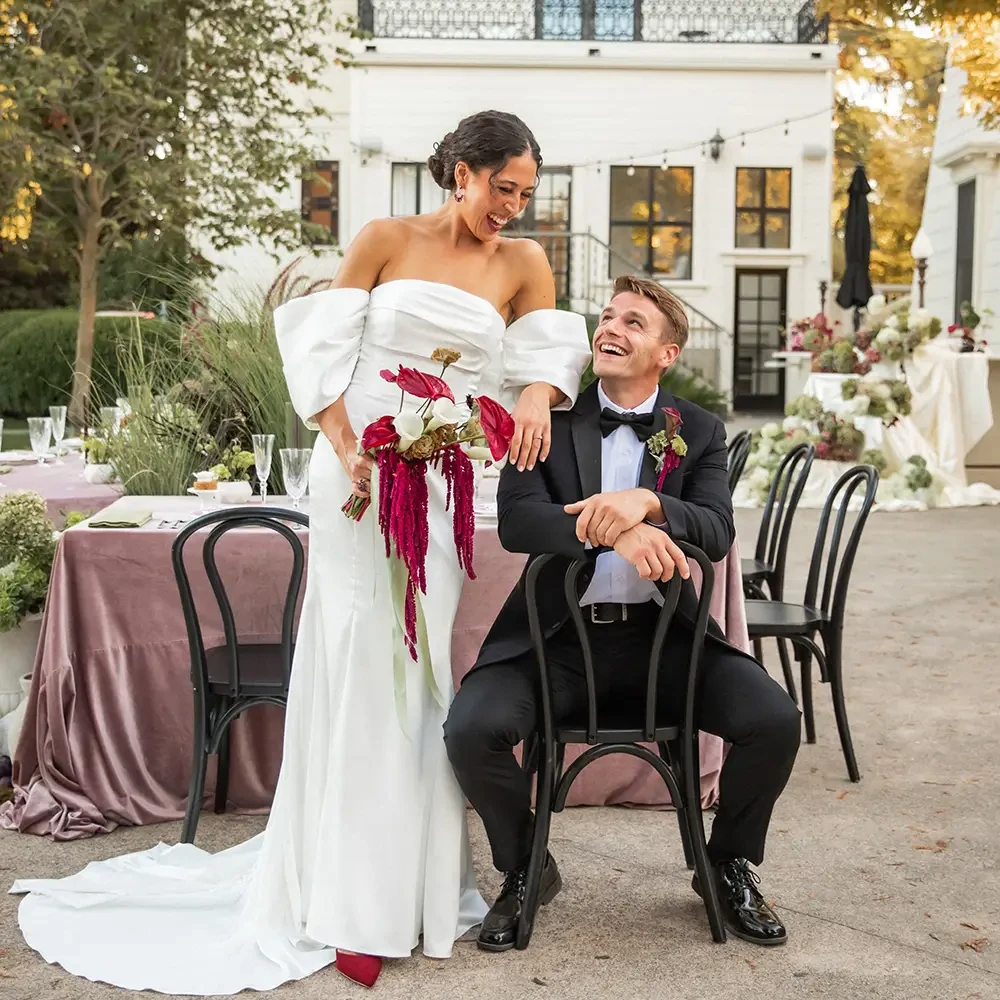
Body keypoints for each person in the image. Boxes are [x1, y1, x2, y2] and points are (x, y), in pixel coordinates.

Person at [9, 111, 591, 993]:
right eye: (501, 186)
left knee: (420, 665)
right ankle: (345, 891)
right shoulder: (383, 237)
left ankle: (417, 886)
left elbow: (543, 358)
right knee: (355, 658)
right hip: (355, 470)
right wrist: (352, 447)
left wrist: (539, 398)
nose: (510, 206)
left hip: (437, 483)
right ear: (460, 172)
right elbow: (321, 352)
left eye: (524, 193)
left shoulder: (525, 263)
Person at [445, 275, 802, 951]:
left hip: (667, 644)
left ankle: (724, 863)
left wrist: (648, 503)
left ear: (668, 353)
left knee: (774, 721)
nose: (611, 329)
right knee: (471, 728)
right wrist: (613, 530)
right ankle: (526, 866)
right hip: (554, 644)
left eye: (634, 322)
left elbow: (718, 531)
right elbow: (521, 523)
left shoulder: (697, 429)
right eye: (607, 317)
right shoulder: (544, 420)